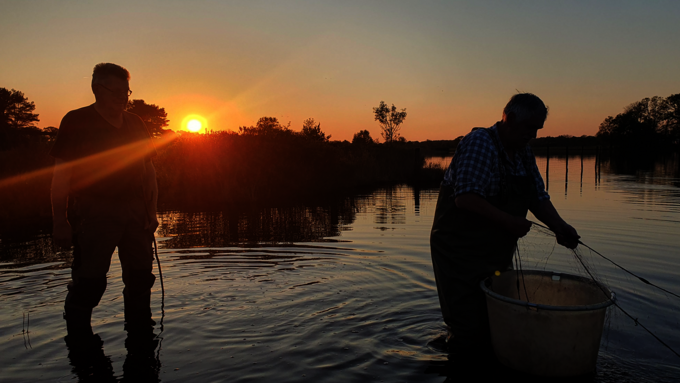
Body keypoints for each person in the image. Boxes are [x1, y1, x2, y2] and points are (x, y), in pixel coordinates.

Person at [430, 93, 579, 357]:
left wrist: (560, 226)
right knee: (467, 327)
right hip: (458, 254)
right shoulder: (480, 144)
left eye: (537, 129)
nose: (532, 135)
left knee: (496, 319)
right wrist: (510, 222)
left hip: (495, 254)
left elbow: (537, 197)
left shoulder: (523, 152)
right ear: (509, 119)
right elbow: (465, 198)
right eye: (528, 128)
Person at [51, 63, 159, 338]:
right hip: (94, 212)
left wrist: (152, 211)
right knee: (90, 280)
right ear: (97, 89)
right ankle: (78, 336)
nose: (124, 97)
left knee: (140, 278)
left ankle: (140, 337)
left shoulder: (136, 123)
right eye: (117, 91)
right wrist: (60, 220)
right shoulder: (76, 121)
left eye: (127, 91)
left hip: (136, 212)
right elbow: (61, 175)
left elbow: (148, 172)